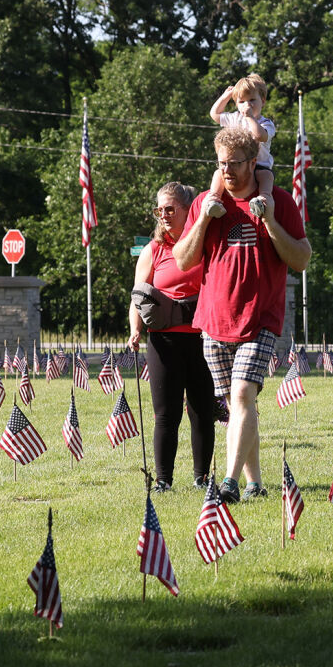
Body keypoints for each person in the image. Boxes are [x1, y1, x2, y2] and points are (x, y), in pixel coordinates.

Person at [174, 125, 311, 503]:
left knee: (243, 394)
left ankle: (229, 484)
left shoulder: (278, 200)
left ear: (253, 162)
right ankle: (255, 483)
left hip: (260, 318)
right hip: (214, 321)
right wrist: (203, 218)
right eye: (222, 164)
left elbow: (301, 259)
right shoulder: (207, 201)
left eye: (235, 163)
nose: (227, 170)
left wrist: (269, 221)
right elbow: (183, 261)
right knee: (237, 406)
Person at [128, 182, 215, 492]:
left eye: (169, 209)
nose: (163, 215)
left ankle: (202, 478)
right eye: (159, 210)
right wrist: (135, 329)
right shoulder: (153, 250)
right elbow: (138, 296)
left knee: (202, 411)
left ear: (187, 210)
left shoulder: (206, 243)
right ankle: (163, 480)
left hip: (203, 339)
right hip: (164, 342)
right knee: (166, 414)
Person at [205, 74, 275, 220]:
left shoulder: (265, 123)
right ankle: (214, 200)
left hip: (259, 166)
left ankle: (262, 201)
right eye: (242, 101)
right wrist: (226, 96)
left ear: (262, 101)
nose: (247, 105)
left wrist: (249, 117)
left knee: (266, 177)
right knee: (218, 174)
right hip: (235, 165)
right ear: (237, 104)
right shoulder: (235, 117)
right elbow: (214, 114)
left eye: (252, 100)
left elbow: (259, 136)